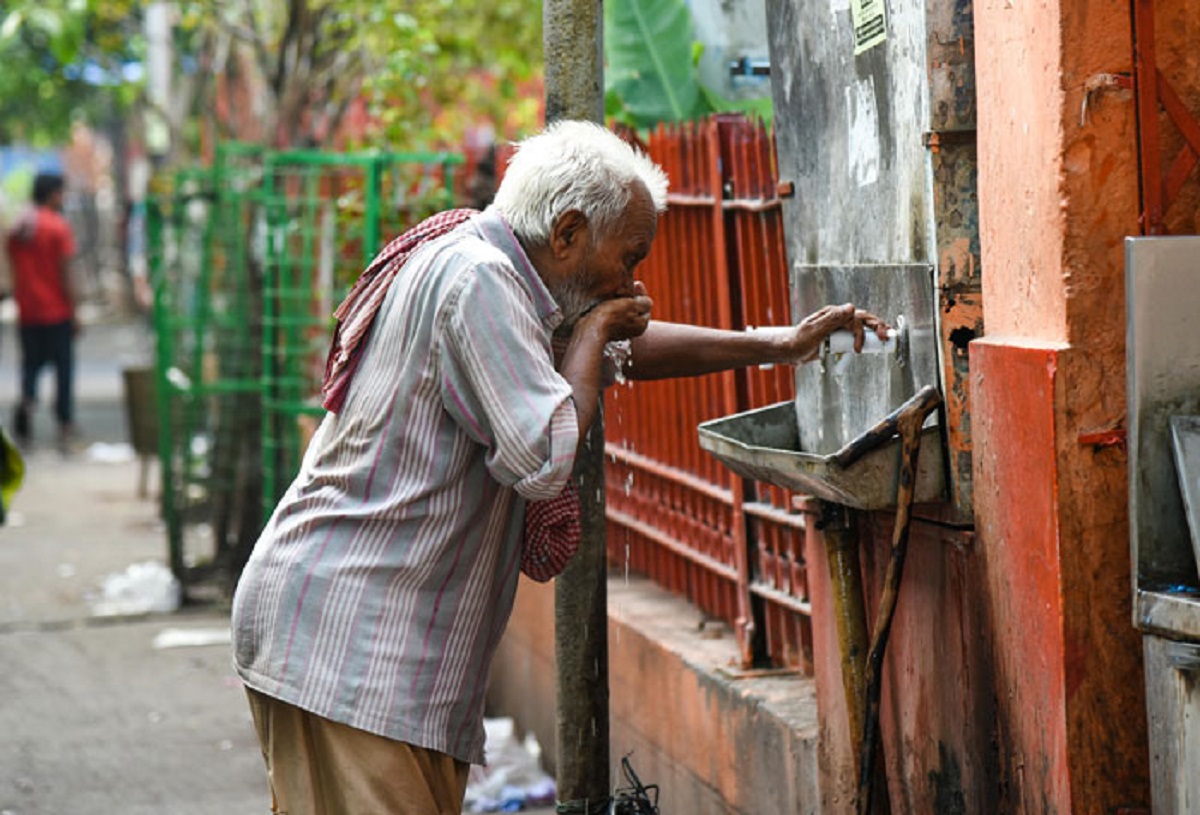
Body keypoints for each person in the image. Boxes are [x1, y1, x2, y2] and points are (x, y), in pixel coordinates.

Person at [231, 120, 888, 814]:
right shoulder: (480, 281)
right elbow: (544, 455)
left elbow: (622, 349)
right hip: (350, 643)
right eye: (628, 257)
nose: (631, 282)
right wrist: (599, 329)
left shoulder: (503, 275)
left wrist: (777, 345)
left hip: (361, 646)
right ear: (569, 233)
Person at [4, 172, 80, 449]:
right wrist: (75, 309)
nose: (64, 198)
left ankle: (27, 405)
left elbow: (10, 267)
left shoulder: (19, 229)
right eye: (62, 193)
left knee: (31, 366)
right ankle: (65, 424)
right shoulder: (57, 227)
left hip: (28, 311)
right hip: (56, 311)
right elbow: (66, 273)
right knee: (63, 369)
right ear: (52, 194)